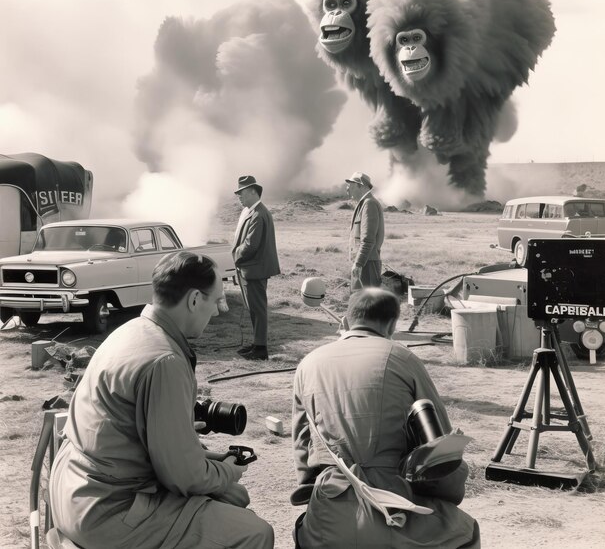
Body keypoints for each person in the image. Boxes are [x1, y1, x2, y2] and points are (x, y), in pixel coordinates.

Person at [49, 251, 274, 549]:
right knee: (255, 532)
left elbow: (137, 441)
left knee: (235, 496)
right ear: (194, 300)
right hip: (108, 511)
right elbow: (184, 476)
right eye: (216, 300)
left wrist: (206, 459)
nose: (219, 311)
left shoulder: (131, 330)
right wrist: (229, 469)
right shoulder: (165, 360)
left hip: (75, 489)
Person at [292, 288, 480, 548]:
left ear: (345, 323)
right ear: (392, 325)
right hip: (395, 505)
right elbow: (440, 451)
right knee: (466, 532)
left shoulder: (307, 364)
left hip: (330, 508)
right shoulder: (402, 357)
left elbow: (302, 447)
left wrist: (316, 498)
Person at [232, 175, 280, 360]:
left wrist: (235, 256)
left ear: (253, 191)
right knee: (255, 308)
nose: (239, 196)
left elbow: (251, 245)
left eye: (241, 192)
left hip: (255, 269)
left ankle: (260, 349)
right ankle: (257, 344)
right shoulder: (254, 212)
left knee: (258, 309)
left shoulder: (258, 214)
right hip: (253, 269)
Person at [345, 171, 385, 291]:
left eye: (350, 185)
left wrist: (358, 263)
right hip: (366, 263)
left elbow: (368, 240)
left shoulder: (369, 204)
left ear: (360, 185)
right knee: (361, 302)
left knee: (367, 304)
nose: (347, 189)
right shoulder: (365, 203)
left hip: (367, 264)